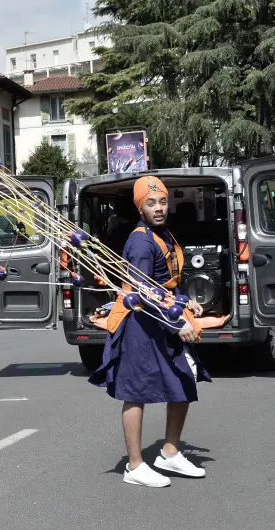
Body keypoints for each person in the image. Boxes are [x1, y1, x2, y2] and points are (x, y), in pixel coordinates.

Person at [89, 176, 210, 488]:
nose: (158, 208)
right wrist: (178, 321)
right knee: (135, 391)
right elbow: (143, 291)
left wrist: (185, 302)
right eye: (150, 203)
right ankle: (134, 466)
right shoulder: (142, 242)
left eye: (162, 202)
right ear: (139, 207)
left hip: (161, 318)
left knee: (184, 378)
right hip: (139, 323)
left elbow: (164, 282)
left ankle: (169, 452)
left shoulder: (163, 234)